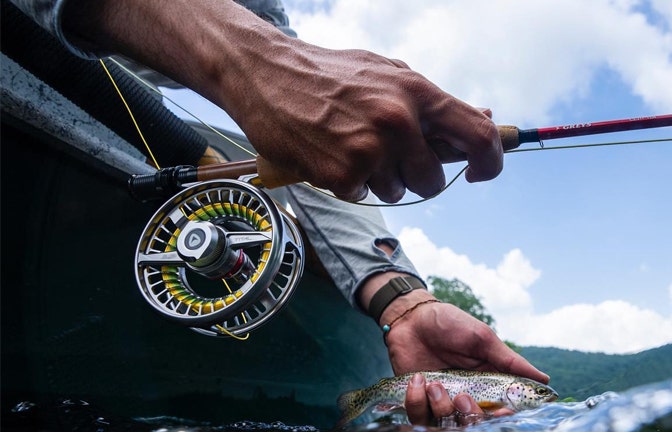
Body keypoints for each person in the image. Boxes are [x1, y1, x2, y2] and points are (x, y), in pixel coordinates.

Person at [8, 0, 549, 426]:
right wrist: (255, 63)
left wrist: (402, 300)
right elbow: (278, 73)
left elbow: (303, 139)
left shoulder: (261, 14)